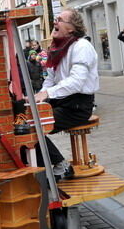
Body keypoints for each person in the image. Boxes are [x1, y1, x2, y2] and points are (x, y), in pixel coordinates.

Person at [34, 9, 99, 180]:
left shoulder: (82, 47)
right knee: (24, 121)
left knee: (32, 127)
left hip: (77, 107)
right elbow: (50, 78)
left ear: (71, 28)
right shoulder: (59, 47)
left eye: (60, 20)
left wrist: (47, 93)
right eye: (56, 19)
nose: (55, 22)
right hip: (62, 101)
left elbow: (76, 82)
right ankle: (44, 167)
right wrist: (38, 96)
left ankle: (60, 165)